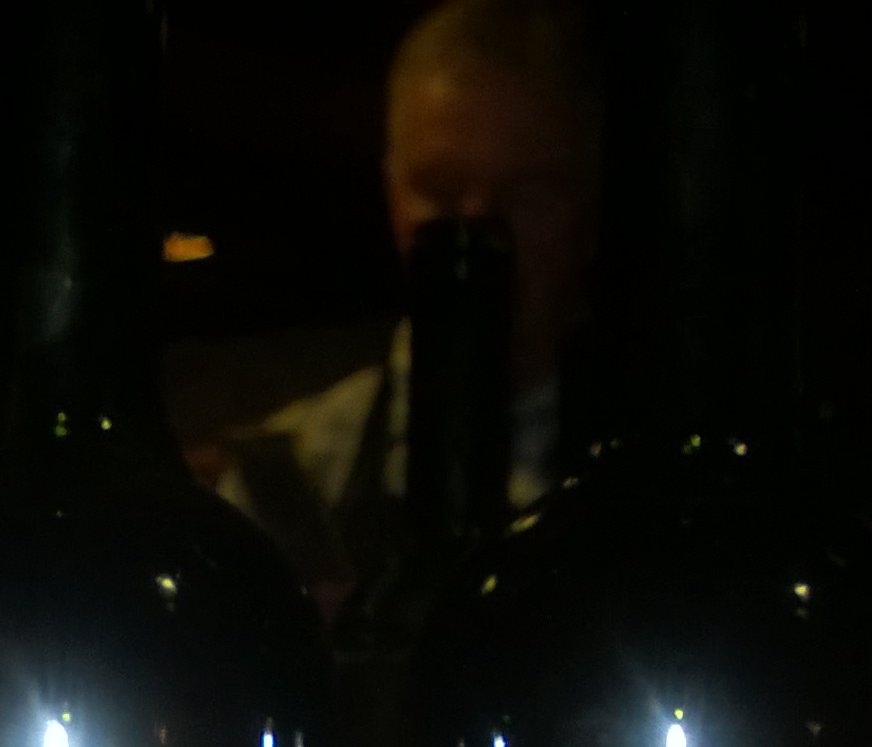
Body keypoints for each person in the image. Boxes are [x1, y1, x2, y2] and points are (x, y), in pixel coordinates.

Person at [215, 0, 599, 605]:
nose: (475, 232)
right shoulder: (291, 486)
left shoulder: (654, 489)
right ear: (394, 198)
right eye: (441, 192)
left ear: (586, 209)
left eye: (525, 196)